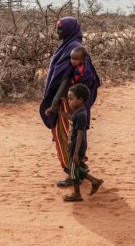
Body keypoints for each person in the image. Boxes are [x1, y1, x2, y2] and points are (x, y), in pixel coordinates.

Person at [41, 17, 99, 187]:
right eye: (57, 29)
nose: (58, 32)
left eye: (61, 29)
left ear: (69, 30)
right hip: (68, 99)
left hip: (68, 101)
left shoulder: (73, 48)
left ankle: (73, 173)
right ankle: (80, 168)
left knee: (65, 136)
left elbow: (65, 78)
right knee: (67, 135)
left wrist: (54, 103)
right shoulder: (69, 45)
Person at [63, 84, 103, 201]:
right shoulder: (78, 112)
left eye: (71, 99)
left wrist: (76, 153)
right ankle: (94, 181)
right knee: (74, 168)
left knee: (72, 170)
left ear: (80, 100)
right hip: (74, 145)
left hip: (77, 146)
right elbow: (71, 117)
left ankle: (77, 194)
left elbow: (80, 134)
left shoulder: (81, 114)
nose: (69, 102)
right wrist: (59, 113)